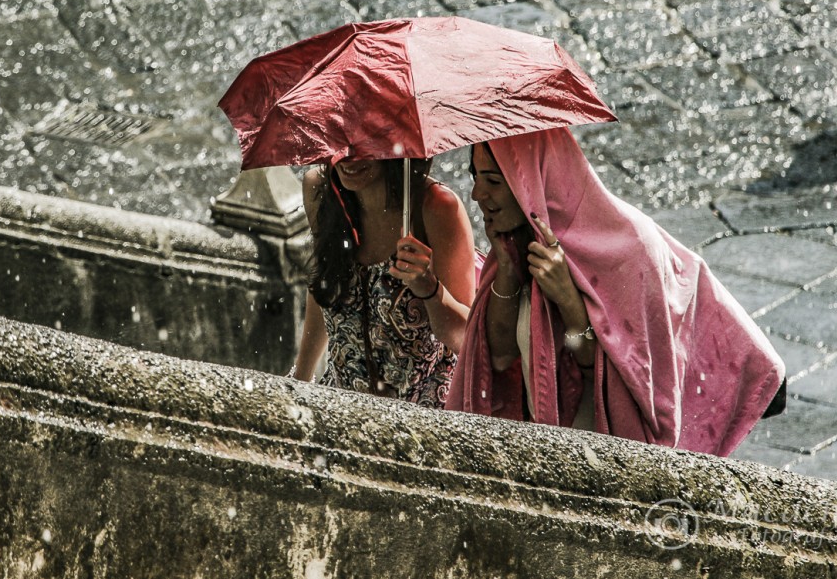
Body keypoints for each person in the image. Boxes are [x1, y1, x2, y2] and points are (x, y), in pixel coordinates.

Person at [447, 129, 785, 455]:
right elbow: (500, 355)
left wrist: (567, 298)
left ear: (531, 182)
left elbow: (629, 385)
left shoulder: (630, 252)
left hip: (601, 452)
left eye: (492, 181)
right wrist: (507, 270)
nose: (477, 195)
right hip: (551, 444)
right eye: (475, 177)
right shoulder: (517, 243)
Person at [290, 156, 477, 408]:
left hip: (425, 417)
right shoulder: (322, 190)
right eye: (342, 135)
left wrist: (430, 288)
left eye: (365, 139)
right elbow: (325, 285)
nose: (348, 155)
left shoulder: (436, 208)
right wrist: (300, 381)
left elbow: (468, 340)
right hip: (341, 407)